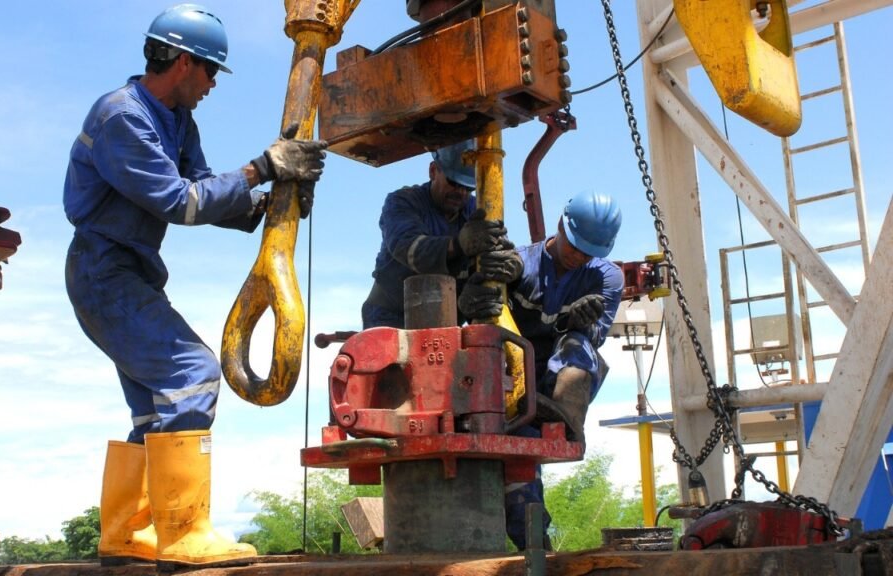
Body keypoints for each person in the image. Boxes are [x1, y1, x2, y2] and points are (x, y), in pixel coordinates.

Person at [62, 4, 327, 567]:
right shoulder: (122, 116)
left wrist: (267, 205)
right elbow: (179, 202)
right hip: (102, 272)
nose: (212, 85)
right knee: (194, 374)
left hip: (126, 273)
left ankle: (126, 533)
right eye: (210, 71)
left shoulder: (177, 119)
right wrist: (263, 167)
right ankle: (183, 534)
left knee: (156, 408)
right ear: (183, 62)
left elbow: (205, 187)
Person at [459, 190, 624, 551]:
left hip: (558, 382)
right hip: (514, 382)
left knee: (578, 345)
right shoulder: (521, 265)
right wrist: (476, 292)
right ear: (561, 224)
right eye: (575, 247)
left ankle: (564, 417)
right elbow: (483, 316)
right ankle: (535, 548)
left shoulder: (607, 278)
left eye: (589, 253)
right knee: (518, 460)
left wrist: (581, 323)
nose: (579, 257)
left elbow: (596, 337)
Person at [362, 140, 507, 328]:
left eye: (468, 187)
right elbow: (411, 250)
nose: (461, 192)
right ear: (433, 171)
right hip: (391, 318)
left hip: (447, 319)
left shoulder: (475, 210)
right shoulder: (404, 202)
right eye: (454, 182)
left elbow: (497, 247)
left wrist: (512, 263)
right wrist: (457, 244)